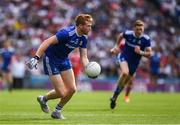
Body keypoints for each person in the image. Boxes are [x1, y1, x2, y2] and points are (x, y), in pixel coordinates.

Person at [26, 14, 93, 119]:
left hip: (64, 59)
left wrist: (88, 68)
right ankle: (44, 99)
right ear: (80, 26)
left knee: (72, 89)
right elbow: (47, 41)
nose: (90, 28)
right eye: (88, 26)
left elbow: (84, 57)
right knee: (61, 92)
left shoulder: (84, 38)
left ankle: (57, 111)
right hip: (51, 59)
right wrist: (36, 57)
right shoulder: (66, 33)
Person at [110, 20, 152, 109]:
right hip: (124, 57)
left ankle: (114, 97)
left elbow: (149, 54)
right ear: (134, 29)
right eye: (137, 29)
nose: (139, 31)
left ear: (143, 29)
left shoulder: (146, 39)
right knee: (125, 73)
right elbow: (121, 35)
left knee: (125, 83)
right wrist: (116, 46)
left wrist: (140, 52)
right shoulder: (128, 34)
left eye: (141, 29)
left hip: (134, 63)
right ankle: (116, 96)